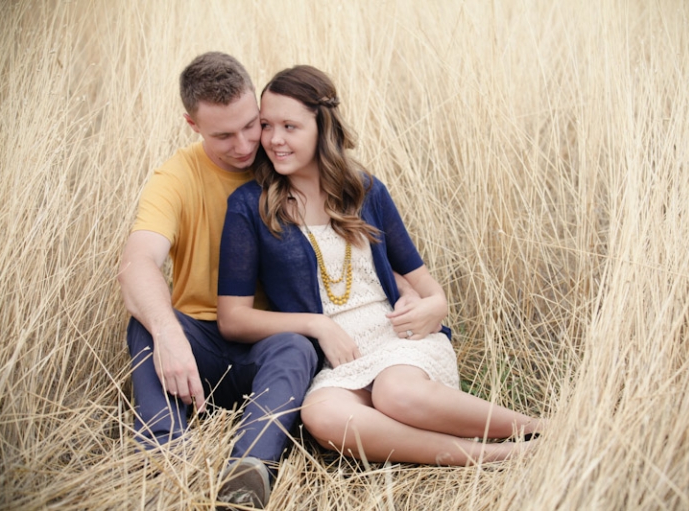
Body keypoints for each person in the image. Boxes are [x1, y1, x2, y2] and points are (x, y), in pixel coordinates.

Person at [217, 65, 546, 468]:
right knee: (321, 415)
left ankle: (539, 428)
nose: (274, 140)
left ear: (323, 128)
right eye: (266, 125)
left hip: (398, 340)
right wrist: (318, 325)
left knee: (395, 393)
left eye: (290, 126)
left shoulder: (365, 190)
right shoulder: (251, 206)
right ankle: (497, 456)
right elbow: (232, 319)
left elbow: (428, 288)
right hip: (338, 359)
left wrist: (434, 307)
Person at [118, 52, 319, 508]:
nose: (246, 144)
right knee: (146, 322)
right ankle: (163, 457)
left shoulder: (282, 160)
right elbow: (136, 263)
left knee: (297, 346)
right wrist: (168, 333)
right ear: (192, 124)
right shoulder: (176, 176)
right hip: (199, 349)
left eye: (252, 124)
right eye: (223, 135)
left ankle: (248, 472)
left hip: (268, 345)